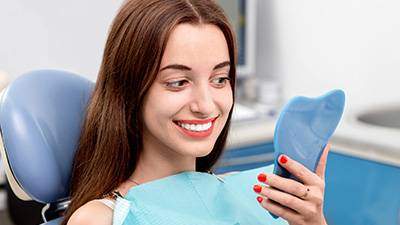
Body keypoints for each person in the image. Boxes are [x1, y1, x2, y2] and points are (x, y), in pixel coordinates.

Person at [62, 0, 329, 224]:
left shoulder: (254, 193)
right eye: (178, 82)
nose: (206, 105)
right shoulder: (100, 218)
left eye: (220, 79)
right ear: (130, 89)